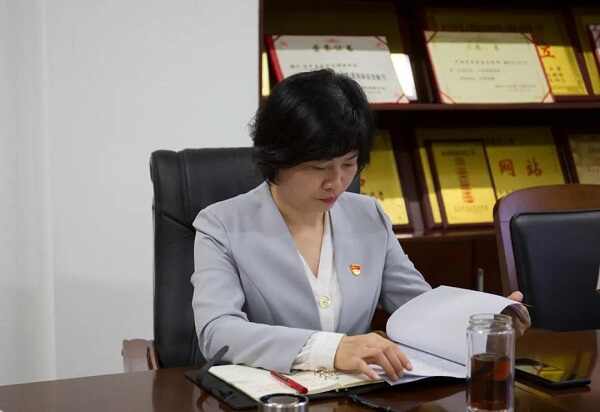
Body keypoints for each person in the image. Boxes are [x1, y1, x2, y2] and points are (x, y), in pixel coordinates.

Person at [191, 69, 528, 381]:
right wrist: (330, 349)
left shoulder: (369, 216)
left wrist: (484, 321)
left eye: (349, 163)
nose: (336, 182)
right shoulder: (222, 225)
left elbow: (418, 309)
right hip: (271, 398)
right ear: (277, 159)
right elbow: (217, 332)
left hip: (357, 395)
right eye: (318, 167)